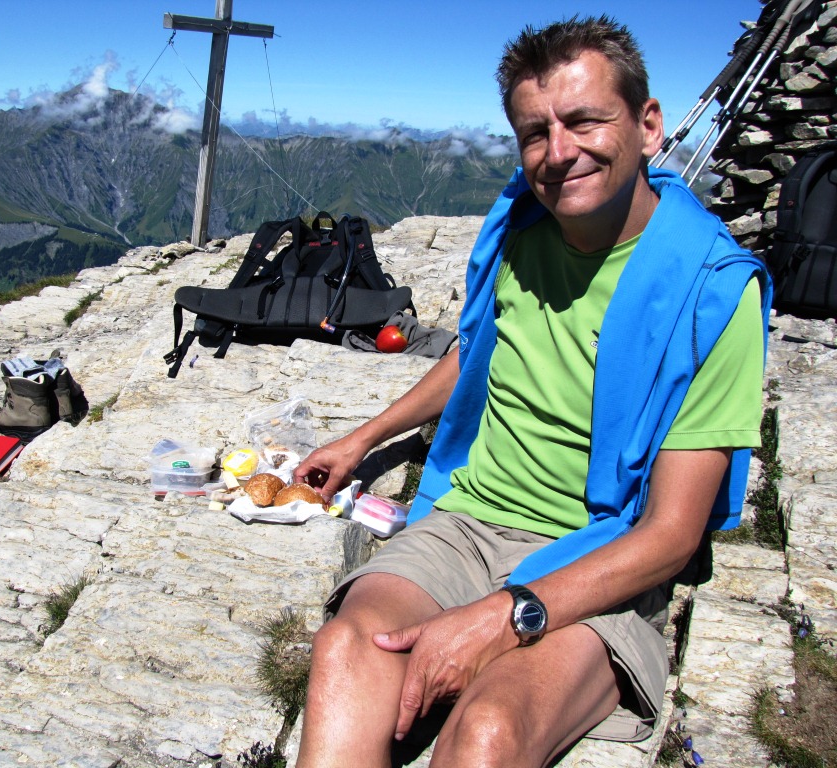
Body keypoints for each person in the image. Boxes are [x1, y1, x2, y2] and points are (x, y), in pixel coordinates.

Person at [292, 15, 771, 768]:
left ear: (648, 126)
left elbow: (672, 535)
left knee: (488, 731)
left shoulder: (711, 293)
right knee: (347, 651)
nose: (559, 152)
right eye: (535, 133)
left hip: (598, 553)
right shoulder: (519, 230)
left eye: (585, 121)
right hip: (465, 524)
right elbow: (478, 357)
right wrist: (363, 439)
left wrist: (503, 617)